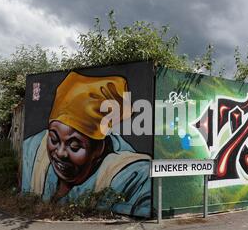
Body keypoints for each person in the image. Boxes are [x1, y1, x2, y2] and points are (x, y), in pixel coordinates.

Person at [22, 72, 152, 217]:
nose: (60, 152)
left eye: (74, 146)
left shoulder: (134, 176)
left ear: (99, 147)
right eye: (53, 139)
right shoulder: (33, 150)